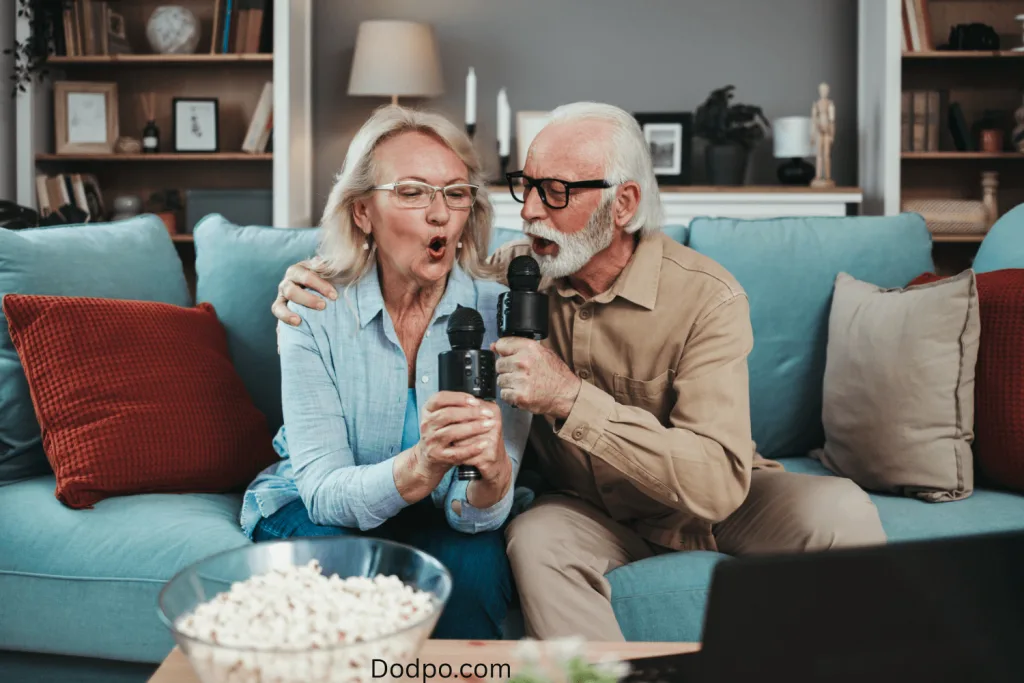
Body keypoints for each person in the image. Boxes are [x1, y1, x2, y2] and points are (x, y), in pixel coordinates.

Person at [271, 102, 886, 642]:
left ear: (623, 204)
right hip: (589, 509)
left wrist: (568, 396)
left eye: (557, 192)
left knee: (841, 510)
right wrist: (306, 275)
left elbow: (718, 485)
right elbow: (407, 260)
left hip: (713, 501)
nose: (533, 211)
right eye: (527, 186)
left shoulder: (708, 298)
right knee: (534, 543)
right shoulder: (515, 278)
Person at [245, 105, 531, 640]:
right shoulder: (311, 307)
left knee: (471, 576)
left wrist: (492, 479)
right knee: (346, 579)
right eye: (413, 192)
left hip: (445, 513)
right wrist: (422, 466)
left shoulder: (507, 316)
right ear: (361, 213)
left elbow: (477, 516)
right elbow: (325, 493)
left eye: (455, 193)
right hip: (321, 510)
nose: (439, 213)